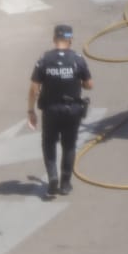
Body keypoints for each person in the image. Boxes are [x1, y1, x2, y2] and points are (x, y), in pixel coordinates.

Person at [26, 22, 92, 198]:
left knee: (48, 144)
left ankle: (53, 177)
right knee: (69, 145)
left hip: (51, 110)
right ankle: (65, 183)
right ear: (70, 40)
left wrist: (31, 111)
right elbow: (89, 84)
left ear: (54, 39)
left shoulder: (44, 59)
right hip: (72, 110)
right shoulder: (78, 59)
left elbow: (34, 89)